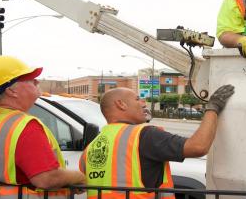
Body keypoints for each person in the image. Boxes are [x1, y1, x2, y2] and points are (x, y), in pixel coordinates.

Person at [79, 84, 234, 199]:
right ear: (121, 104)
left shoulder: (91, 148)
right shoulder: (144, 135)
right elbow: (198, 146)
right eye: (137, 99)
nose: (143, 102)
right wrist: (213, 108)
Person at [0, 56, 86, 198]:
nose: (37, 81)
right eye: (30, 79)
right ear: (11, 91)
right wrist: (80, 178)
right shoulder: (23, 126)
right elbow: (46, 178)